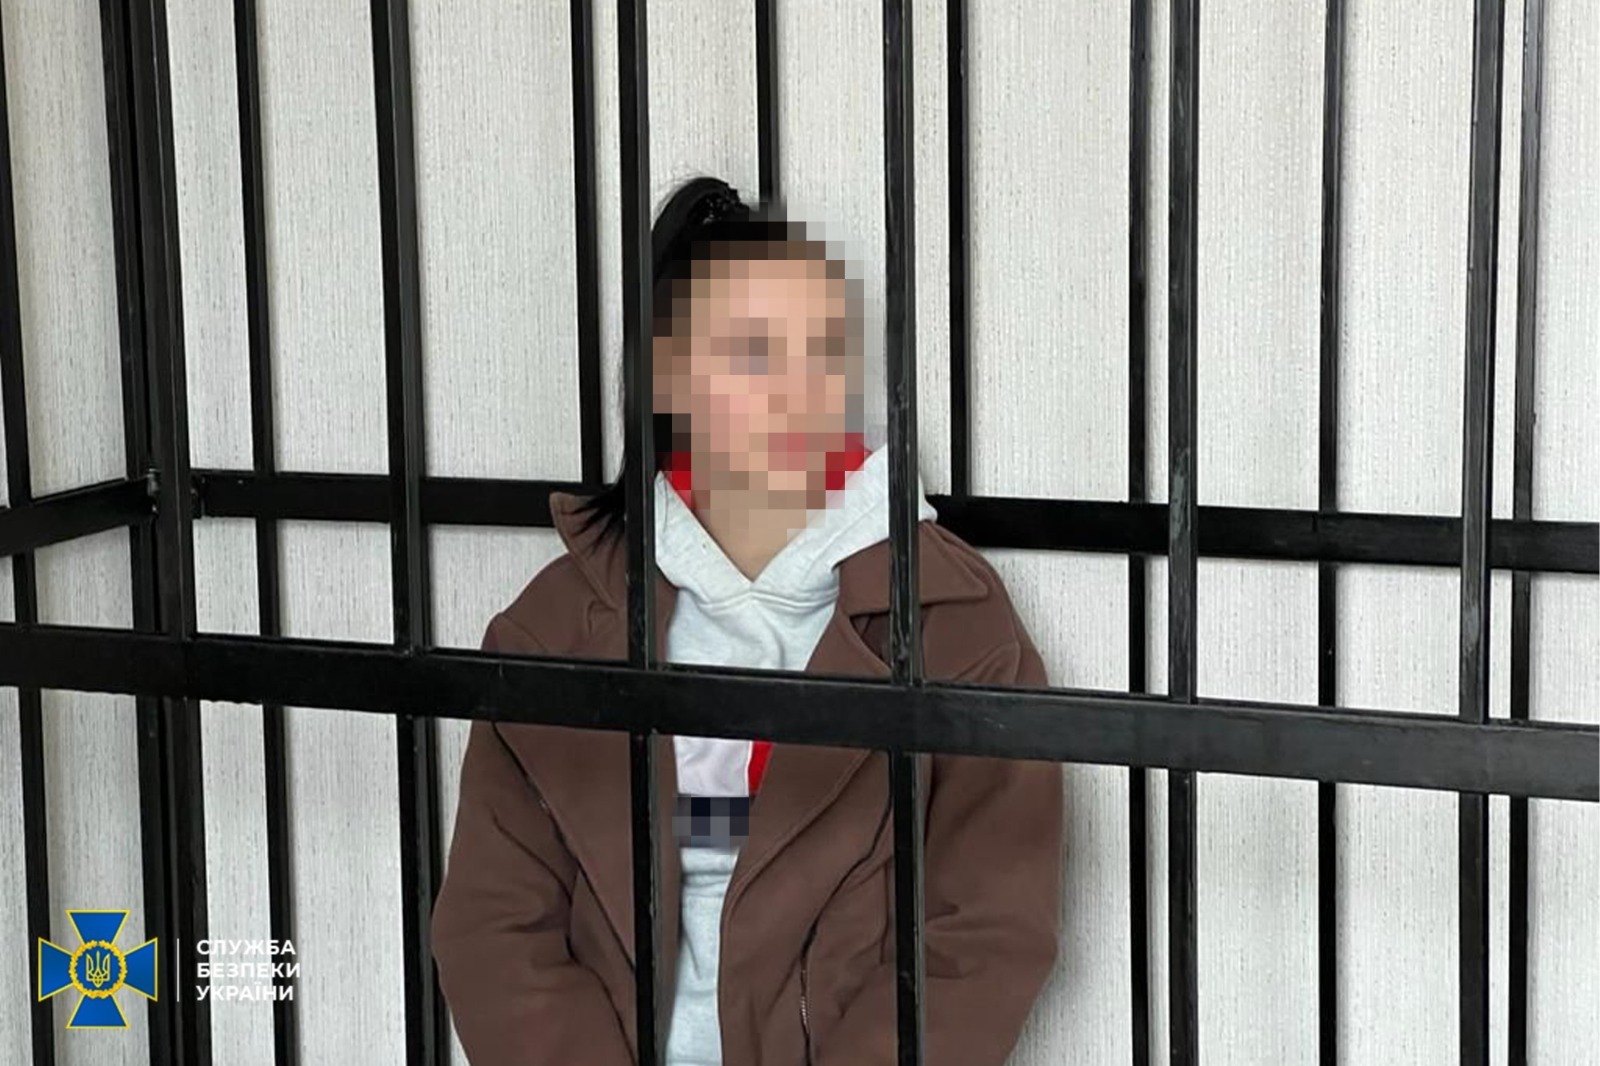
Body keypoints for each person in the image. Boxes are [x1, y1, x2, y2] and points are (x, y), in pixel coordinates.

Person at [431, 177, 1062, 1066]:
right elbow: (493, 927)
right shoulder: (558, 627)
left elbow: (985, 934)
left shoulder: (954, 622)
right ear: (671, 375)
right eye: (754, 351)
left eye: (822, 348)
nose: (799, 389)